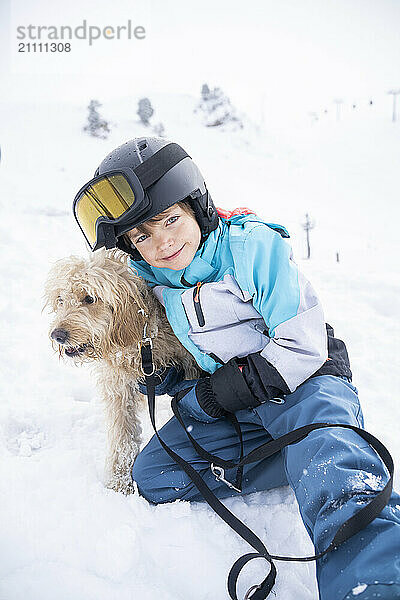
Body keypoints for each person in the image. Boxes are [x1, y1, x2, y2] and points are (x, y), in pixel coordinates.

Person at [73, 137, 400, 600]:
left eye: (170, 220)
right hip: (245, 408)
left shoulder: (251, 248)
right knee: (156, 476)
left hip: (307, 385)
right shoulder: (154, 280)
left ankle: (376, 579)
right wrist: (162, 373)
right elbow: (180, 347)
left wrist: (213, 396)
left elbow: (302, 347)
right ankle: (294, 459)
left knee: (336, 480)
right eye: (142, 235)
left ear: (197, 207)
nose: (162, 242)